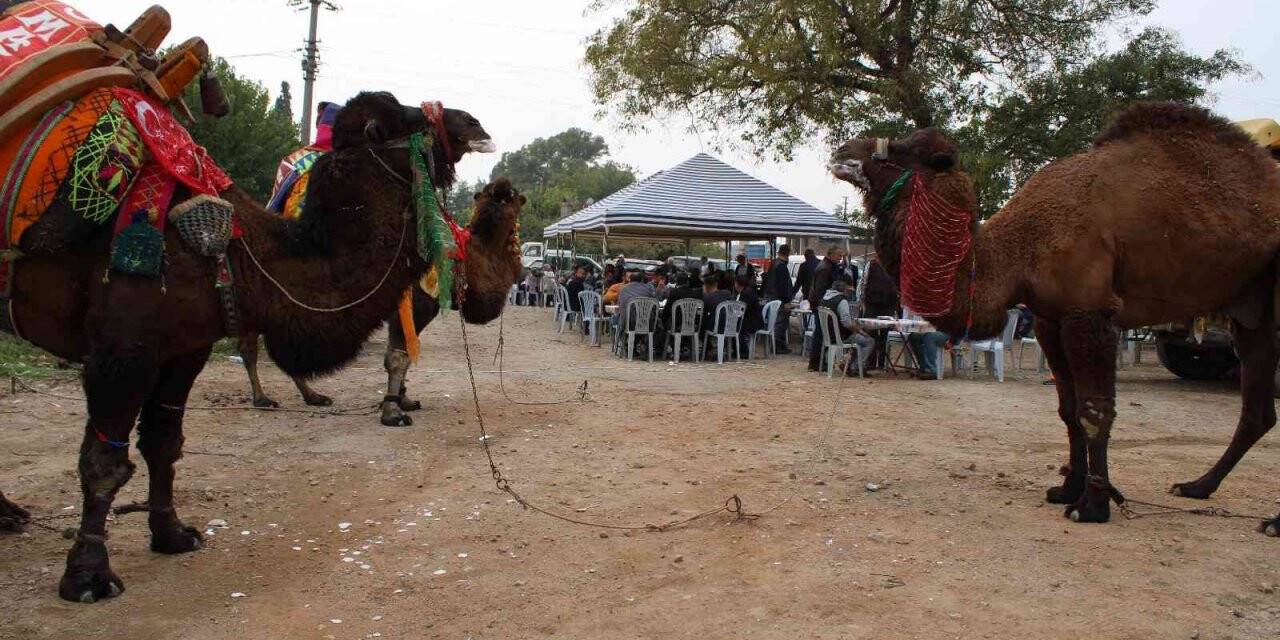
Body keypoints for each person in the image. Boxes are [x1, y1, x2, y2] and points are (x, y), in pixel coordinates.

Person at [817, 272, 875, 376]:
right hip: (840, 337)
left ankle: (848, 364)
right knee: (868, 341)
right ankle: (855, 367)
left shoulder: (824, 298)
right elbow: (847, 323)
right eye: (849, 290)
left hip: (828, 336)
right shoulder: (841, 301)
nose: (849, 293)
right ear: (844, 289)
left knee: (858, 339)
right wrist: (860, 330)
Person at [807, 245, 847, 371]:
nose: (840, 259)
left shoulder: (829, 266)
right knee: (821, 334)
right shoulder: (825, 268)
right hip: (822, 305)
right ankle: (815, 363)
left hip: (821, 304)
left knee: (822, 333)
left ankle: (819, 363)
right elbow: (820, 290)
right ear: (831, 254)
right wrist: (824, 305)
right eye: (839, 256)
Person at [763, 244, 794, 354]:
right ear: (788, 253)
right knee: (781, 323)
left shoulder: (774, 263)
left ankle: (778, 345)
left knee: (777, 322)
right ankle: (777, 346)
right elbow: (782, 286)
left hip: (774, 297)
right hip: (780, 299)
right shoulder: (781, 266)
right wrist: (786, 301)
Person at [734, 275, 762, 355]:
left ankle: (742, 351)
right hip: (752, 319)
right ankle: (737, 350)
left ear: (737, 284)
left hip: (751, 322)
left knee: (733, 326)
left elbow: (742, 311)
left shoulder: (745, 294)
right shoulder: (748, 291)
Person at [700, 271, 734, 338]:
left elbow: (704, 315)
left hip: (716, 327)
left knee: (702, 324)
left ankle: (707, 346)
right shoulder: (727, 293)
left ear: (706, 285)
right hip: (730, 325)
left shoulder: (708, 297)